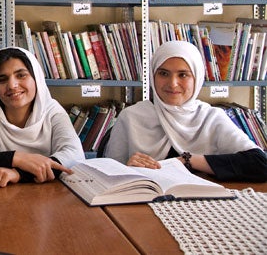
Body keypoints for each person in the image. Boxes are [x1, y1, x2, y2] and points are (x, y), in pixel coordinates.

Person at [104, 40, 267, 182]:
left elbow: (261, 164)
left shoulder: (211, 118)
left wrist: (187, 161)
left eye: (183, 75)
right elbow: (105, 175)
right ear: (152, 76)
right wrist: (127, 168)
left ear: (197, 78)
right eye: (163, 73)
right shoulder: (131, 117)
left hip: (204, 208)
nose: (172, 83)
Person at [0, 47, 84, 188]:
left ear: (37, 78)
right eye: (2, 79)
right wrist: (15, 158)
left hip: (49, 199)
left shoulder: (53, 113)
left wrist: (18, 173)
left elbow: (73, 157)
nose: (12, 85)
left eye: (21, 75)